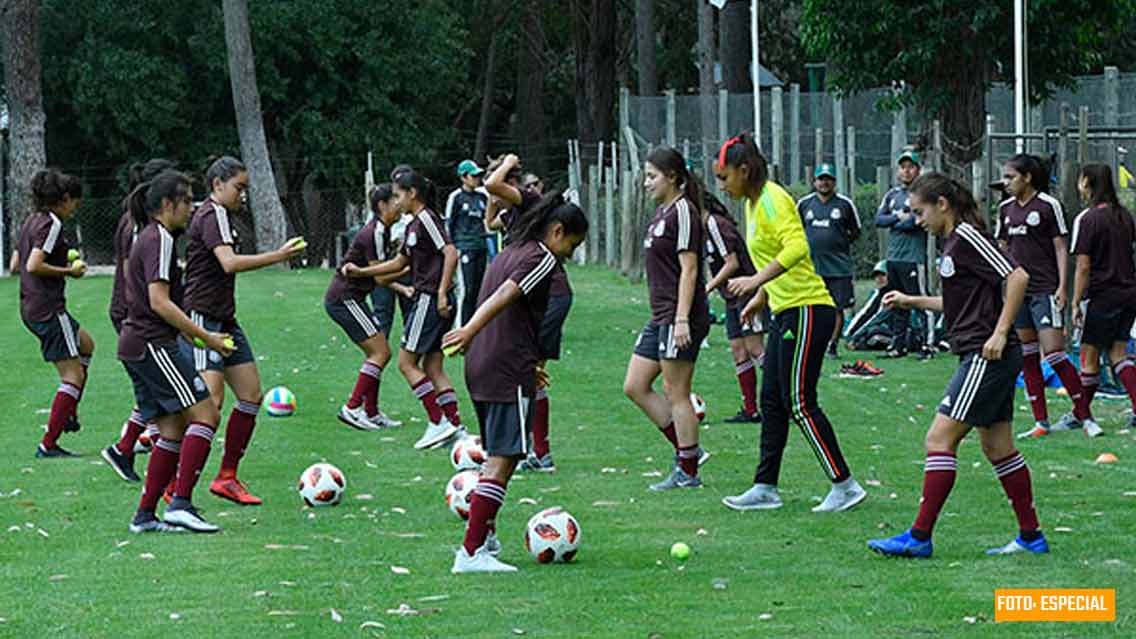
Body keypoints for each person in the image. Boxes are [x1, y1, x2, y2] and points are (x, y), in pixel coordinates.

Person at [867, 173, 1047, 558]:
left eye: (920, 212)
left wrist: (1000, 332)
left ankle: (919, 537)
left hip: (987, 355)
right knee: (997, 446)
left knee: (938, 439)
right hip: (983, 352)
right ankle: (1031, 537)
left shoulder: (967, 236)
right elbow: (960, 304)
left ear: (942, 204)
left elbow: (1018, 277)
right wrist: (911, 300)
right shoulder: (954, 243)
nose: (917, 221)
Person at [715, 132, 866, 513]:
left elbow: (798, 249)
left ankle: (845, 485)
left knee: (799, 400)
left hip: (809, 310)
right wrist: (760, 298)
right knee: (772, 401)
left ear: (744, 170)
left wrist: (755, 281)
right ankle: (765, 487)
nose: (722, 184)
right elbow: (780, 258)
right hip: (786, 309)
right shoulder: (751, 205)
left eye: (724, 176)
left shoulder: (772, 199)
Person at [442, 193, 589, 573]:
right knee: (502, 462)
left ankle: (485, 539)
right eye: (571, 245)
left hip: (483, 364)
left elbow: (513, 313)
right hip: (505, 367)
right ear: (557, 232)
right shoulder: (542, 257)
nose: (568, 255)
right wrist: (470, 328)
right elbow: (508, 294)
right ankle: (471, 552)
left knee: (497, 456)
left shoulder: (509, 250)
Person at [179, 156, 306, 505]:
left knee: (250, 396)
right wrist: (277, 255)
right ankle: (176, 483)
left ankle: (226, 477)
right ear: (218, 184)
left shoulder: (222, 215)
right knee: (210, 403)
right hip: (203, 318)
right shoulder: (212, 214)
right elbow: (229, 262)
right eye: (239, 187)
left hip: (224, 318)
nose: (243, 195)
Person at [120, 170, 232, 533]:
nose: (191, 208)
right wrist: (208, 338)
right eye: (186, 201)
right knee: (206, 416)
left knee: (170, 430)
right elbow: (159, 302)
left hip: (137, 344)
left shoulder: (150, 237)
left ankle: (145, 516)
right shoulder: (160, 238)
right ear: (167, 205)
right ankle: (180, 503)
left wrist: (196, 339)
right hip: (152, 344)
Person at [346, 170, 463, 449]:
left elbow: (450, 252)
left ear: (412, 193)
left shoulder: (426, 219)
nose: (395, 201)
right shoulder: (413, 225)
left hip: (428, 299)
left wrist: (442, 291)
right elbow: (399, 264)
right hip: (430, 299)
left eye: (398, 195)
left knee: (405, 363)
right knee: (433, 366)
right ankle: (454, 426)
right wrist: (363, 271)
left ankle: (438, 422)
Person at [622, 146, 712, 490]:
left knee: (676, 392)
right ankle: (687, 452)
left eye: (652, 176)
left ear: (672, 177)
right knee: (634, 385)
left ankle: (687, 470)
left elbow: (689, 271)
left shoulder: (684, 211)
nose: (646, 183)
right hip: (660, 315)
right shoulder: (662, 213)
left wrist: (682, 319)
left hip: (680, 316)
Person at [993, 154, 1097, 439]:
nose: (1005, 183)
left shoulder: (1049, 206)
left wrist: (1062, 286)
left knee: (1054, 353)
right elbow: (1001, 249)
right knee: (1028, 355)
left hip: (1044, 289)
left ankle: (1085, 415)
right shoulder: (1004, 209)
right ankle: (1041, 421)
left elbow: (1061, 248)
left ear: (1027, 178)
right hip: (1018, 294)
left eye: (1010, 177)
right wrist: (1003, 285)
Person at [487, 155, 573, 472]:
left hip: (550, 295)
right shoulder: (515, 211)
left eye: (498, 178)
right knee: (528, 373)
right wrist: (494, 197)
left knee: (529, 374)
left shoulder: (529, 199)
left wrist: (507, 162)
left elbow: (491, 184)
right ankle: (537, 452)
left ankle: (539, 453)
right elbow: (489, 222)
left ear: (510, 181)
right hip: (540, 296)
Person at [101, 159, 176, 482]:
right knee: (161, 394)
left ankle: (125, 448)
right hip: (135, 314)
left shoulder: (141, 223)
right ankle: (167, 472)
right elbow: (138, 277)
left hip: (135, 313)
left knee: (150, 389)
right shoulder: (139, 227)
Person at [18, 169, 92, 458]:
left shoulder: (31, 222)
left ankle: (69, 412)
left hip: (31, 306)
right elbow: (34, 265)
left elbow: (17, 262)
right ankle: (48, 444)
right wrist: (69, 271)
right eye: (74, 201)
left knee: (87, 345)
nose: (76, 207)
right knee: (73, 376)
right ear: (63, 199)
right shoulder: (51, 224)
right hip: (48, 308)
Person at [325, 183, 407, 431]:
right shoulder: (373, 233)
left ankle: (371, 412)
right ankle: (352, 408)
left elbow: (378, 273)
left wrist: (403, 287)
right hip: (344, 299)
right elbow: (381, 277)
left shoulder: (383, 230)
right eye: (395, 200)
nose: (400, 204)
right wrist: (410, 266)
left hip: (353, 298)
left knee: (377, 353)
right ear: (382, 206)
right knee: (381, 353)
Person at [1071, 163, 1136, 436]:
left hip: (1102, 295)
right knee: (1119, 354)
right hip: (1128, 293)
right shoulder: (1125, 216)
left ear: (1087, 182)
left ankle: (1082, 415)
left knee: (1089, 357)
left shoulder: (1088, 219)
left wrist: (1075, 302)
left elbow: (1083, 266)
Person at [703, 191, 765, 423]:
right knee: (739, 351)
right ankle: (750, 410)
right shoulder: (702, 229)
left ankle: (784, 402)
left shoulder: (715, 224)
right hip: (732, 297)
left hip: (747, 291)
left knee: (755, 349)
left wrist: (708, 287)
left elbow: (732, 263)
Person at [798, 163, 861, 359]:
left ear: (834, 182)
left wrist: (838, 244)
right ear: (814, 181)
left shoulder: (845, 204)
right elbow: (795, 231)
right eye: (821, 179)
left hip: (839, 267)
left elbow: (856, 231)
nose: (824, 183)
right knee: (812, 308)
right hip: (811, 267)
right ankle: (813, 344)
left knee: (837, 308)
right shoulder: (804, 204)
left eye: (828, 179)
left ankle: (832, 346)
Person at [875, 151, 934, 359]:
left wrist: (900, 221)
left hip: (913, 257)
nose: (906, 171)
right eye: (903, 167)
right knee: (897, 302)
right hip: (893, 257)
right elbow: (879, 220)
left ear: (918, 170)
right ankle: (898, 346)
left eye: (910, 166)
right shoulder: (892, 194)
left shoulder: (924, 195)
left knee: (920, 300)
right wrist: (898, 218)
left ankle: (928, 345)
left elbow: (915, 222)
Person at [445, 160, 490, 326]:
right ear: (463, 177)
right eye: (474, 175)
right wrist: (451, 250)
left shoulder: (482, 197)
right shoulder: (455, 198)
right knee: (466, 290)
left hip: (481, 246)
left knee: (479, 290)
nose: (477, 178)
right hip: (464, 248)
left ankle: (474, 328)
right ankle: (460, 328)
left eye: (479, 175)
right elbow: (449, 225)